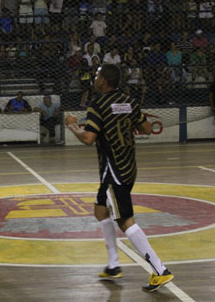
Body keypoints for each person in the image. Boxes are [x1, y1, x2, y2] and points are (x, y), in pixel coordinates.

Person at [64, 64, 174, 292]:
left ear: (104, 81)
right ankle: (114, 265)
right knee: (100, 210)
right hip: (128, 166)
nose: (95, 78)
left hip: (114, 170)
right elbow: (145, 129)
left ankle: (160, 269)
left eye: (97, 76)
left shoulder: (98, 105)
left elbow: (88, 139)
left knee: (125, 221)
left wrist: (72, 126)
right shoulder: (130, 102)